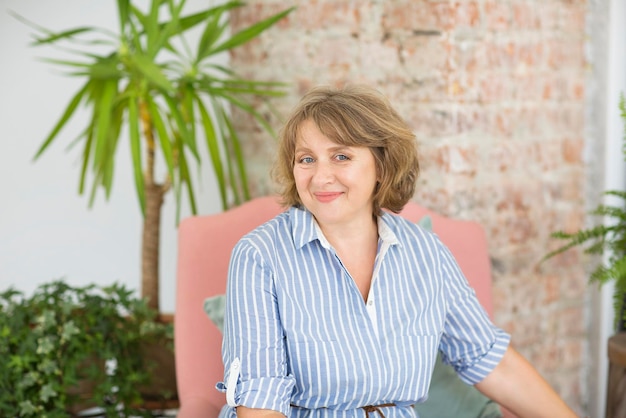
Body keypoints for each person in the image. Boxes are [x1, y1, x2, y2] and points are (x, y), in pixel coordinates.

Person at [217, 85, 578, 418]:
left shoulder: (424, 252)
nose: (320, 176)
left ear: (382, 166)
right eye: (306, 159)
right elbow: (259, 401)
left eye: (341, 156)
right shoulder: (259, 255)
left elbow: (487, 358)